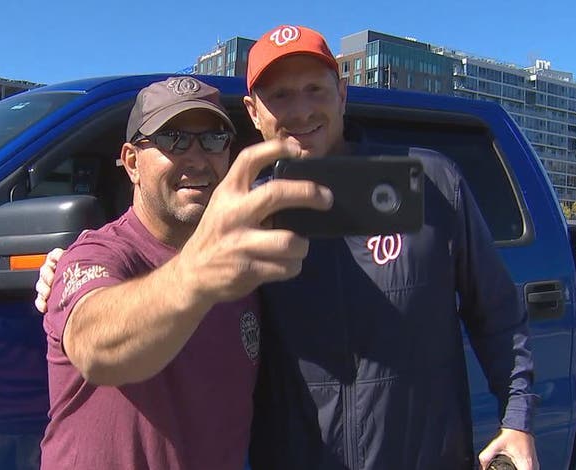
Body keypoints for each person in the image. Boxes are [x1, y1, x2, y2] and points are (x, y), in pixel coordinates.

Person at [37, 26, 539, 470]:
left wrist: (517, 418)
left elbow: (495, 312)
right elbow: (154, 254)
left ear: (341, 94)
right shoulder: (242, 213)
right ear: (254, 112)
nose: (300, 111)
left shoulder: (426, 181)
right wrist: (65, 273)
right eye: (279, 96)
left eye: (314, 90)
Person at [38, 76, 332, 470]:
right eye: (172, 139)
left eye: (213, 140)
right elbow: (96, 348)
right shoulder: (98, 254)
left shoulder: (248, 264)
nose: (196, 158)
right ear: (131, 162)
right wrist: (196, 274)